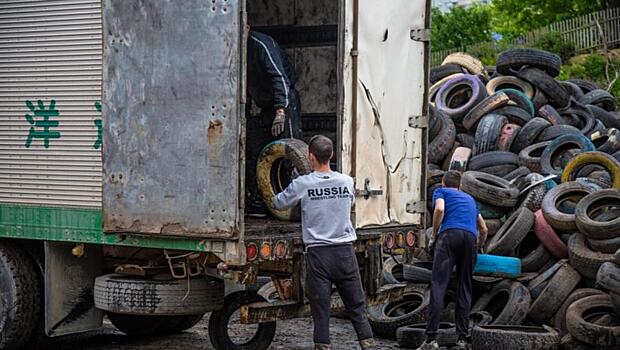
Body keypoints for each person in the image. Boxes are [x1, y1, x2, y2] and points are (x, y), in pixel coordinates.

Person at [273, 135, 375, 350]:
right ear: (332, 156)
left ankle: (323, 346)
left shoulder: (302, 184)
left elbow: (279, 203)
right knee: (356, 306)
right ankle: (368, 344)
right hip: (345, 252)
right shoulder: (347, 181)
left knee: (321, 309)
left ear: (311, 157)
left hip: (319, 255)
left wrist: (295, 183)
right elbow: (350, 202)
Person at [417, 171, 488, 350]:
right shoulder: (470, 199)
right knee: (464, 287)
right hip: (470, 239)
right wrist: (478, 245)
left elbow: (440, 209)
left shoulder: (441, 192)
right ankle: (462, 339)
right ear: (460, 185)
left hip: (449, 236)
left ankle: (431, 340)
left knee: (439, 285)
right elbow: (484, 228)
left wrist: (434, 235)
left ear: (443, 183)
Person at [246, 27, 303, 215]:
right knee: (261, 151)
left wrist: (281, 111)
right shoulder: (233, 47)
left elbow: (280, 77)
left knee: (291, 149)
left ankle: (299, 205)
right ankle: (259, 202)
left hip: (284, 102)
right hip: (264, 105)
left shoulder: (261, 44)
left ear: (246, 27)